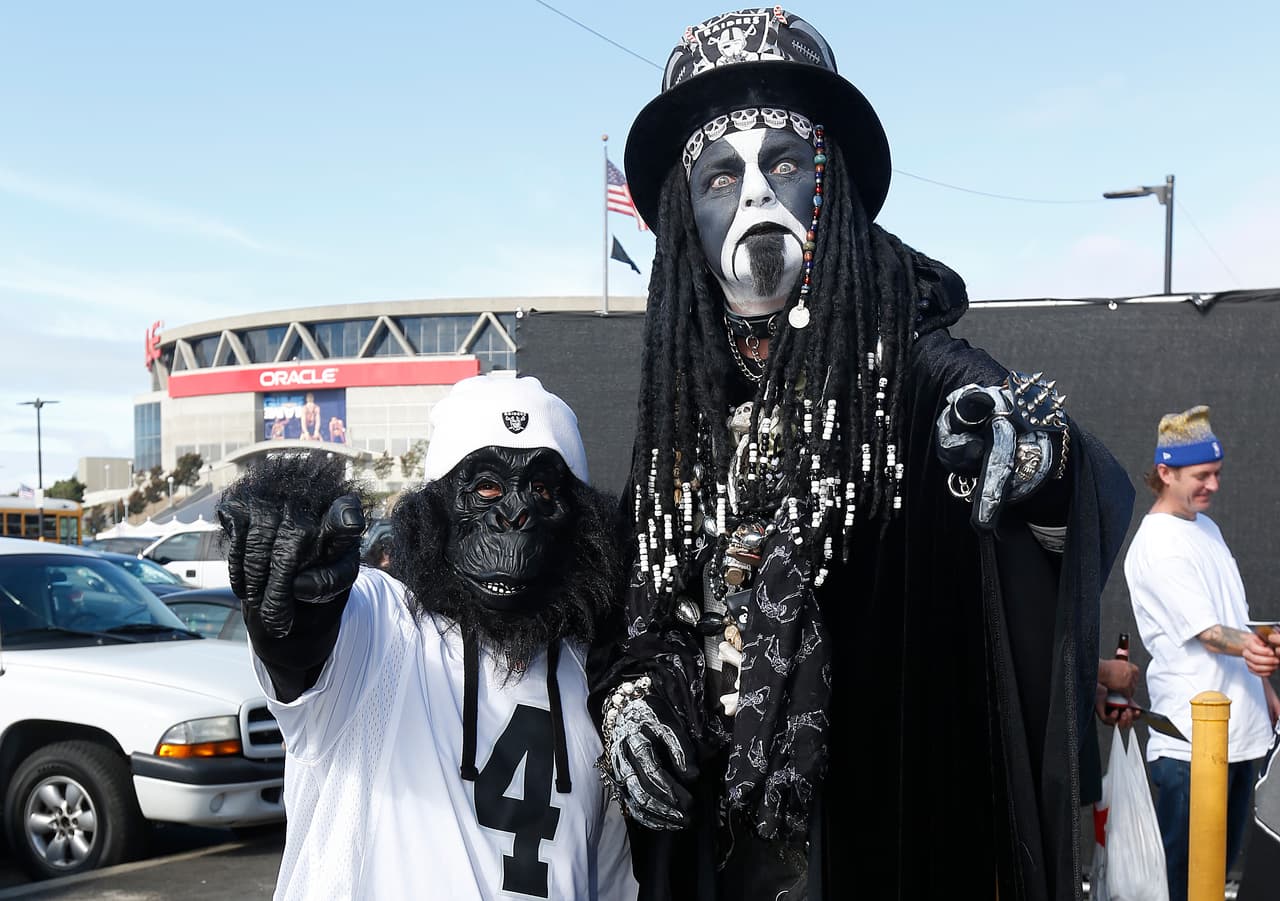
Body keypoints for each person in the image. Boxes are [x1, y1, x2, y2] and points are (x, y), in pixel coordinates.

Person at [591, 8, 1134, 900]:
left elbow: (1066, 479)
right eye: (721, 175)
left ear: (829, 186)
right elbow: (633, 613)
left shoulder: (910, 366)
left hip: (875, 841)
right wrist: (631, 696)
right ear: (686, 217)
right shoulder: (679, 415)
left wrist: (1034, 460)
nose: (756, 197)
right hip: (711, 849)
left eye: (784, 164)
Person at [217, 375, 638, 901]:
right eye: (486, 487)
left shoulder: (594, 681)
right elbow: (305, 648)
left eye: (541, 490)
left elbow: (607, 880)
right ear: (434, 510)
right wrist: (292, 585)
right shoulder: (384, 628)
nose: (515, 515)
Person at [1124, 404, 1280, 901]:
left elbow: (1233, 618)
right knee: (1184, 883)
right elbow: (1210, 633)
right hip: (1190, 746)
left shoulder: (1205, 528)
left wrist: (1263, 688)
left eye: (1217, 473)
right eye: (1202, 475)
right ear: (1166, 473)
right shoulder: (1157, 544)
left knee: (1216, 880)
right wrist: (1260, 646)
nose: (1213, 485)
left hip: (1241, 736)